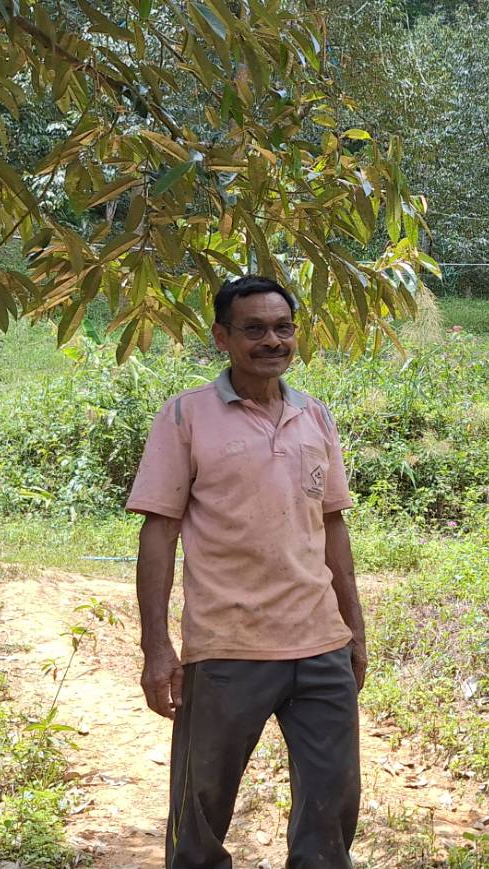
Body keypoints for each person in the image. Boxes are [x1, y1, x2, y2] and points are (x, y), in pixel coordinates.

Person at [126, 275, 367, 869]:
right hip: (227, 647)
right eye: (254, 329)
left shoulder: (314, 416)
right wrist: (156, 647)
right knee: (200, 814)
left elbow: (332, 527)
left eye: (282, 328)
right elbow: (158, 532)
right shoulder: (185, 416)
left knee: (332, 811)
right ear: (222, 337)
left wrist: (354, 630)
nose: (271, 341)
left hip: (321, 646)